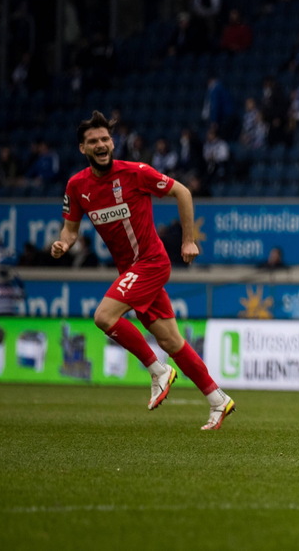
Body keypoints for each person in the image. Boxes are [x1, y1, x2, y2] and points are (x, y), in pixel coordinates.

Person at [50, 111, 235, 430]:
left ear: (113, 143)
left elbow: (183, 192)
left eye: (105, 139)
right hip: (130, 270)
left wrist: (188, 241)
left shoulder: (135, 173)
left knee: (104, 317)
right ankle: (218, 400)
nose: (101, 144)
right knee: (172, 341)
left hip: (151, 263)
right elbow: (70, 230)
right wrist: (63, 243)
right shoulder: (77, 186)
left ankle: (158, 371)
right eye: (93, 141)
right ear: (83, 149)